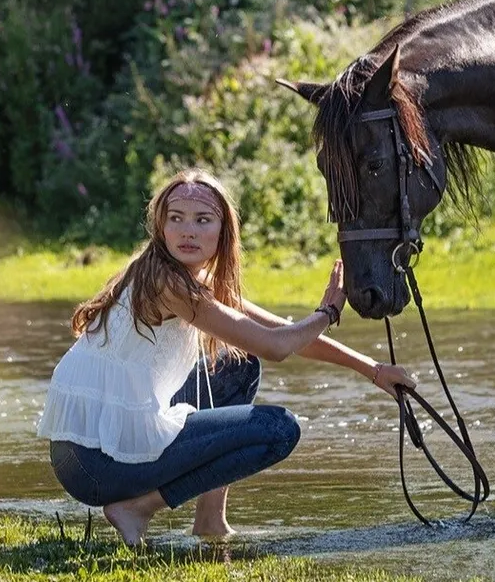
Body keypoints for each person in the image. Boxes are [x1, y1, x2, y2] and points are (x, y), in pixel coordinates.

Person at [36, 168, 415, 545]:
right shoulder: (167, 282)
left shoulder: (186, 279)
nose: (188, 231)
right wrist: (327, 313)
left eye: (203, 220)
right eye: (176, 219)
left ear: (223, 231)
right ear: (161, 227)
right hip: (93, 463)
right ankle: (137, 507)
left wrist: (374, 370)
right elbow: (278, 347)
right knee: (278, 430)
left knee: (240, 365)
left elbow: (279, 332)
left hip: (91, 446)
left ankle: (210, 519)